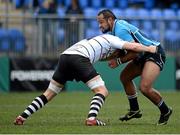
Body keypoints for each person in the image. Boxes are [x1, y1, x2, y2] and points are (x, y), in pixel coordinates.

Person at [14, 34, 157, 126]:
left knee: (49, 94)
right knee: (102, 91)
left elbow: (102, 56)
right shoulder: (115, 40)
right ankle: (92, 119)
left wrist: (116, 60)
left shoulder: (97, 40)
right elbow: (134, 46)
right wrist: (149, 49)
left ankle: (22, 116)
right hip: (79, 58)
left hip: (65, 56)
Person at [97, 9, 172, 125]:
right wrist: (99, 58)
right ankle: (134, 110)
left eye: (101, 22)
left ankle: (165, 111)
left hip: (154, 53)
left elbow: (135, 51)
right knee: (125, 77)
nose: (99, 26)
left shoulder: (119, 29)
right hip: (142, 55)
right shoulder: (114, 30)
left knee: (145, 87)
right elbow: (121, 51)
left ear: (110, 20)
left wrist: (118, 61)